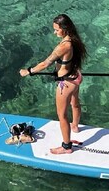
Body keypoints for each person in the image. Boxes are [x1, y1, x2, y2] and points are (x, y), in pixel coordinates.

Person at [19, 14, 87, 154]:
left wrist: (28, 71)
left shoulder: (64, 46)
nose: (55, 32)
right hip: (76, 77)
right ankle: (75, 126)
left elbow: (45, 63)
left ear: (65, 28)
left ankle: (66, 147)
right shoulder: (74, 40)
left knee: (62, 116)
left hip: (66, 83)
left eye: (57, 30)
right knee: (75, 104)